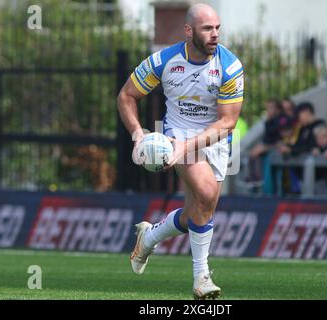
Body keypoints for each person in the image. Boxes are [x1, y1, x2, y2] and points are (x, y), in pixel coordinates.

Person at [116, 3, 243, 300]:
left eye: (217, 28)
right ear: (188, 31)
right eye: (207, 29)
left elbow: (228, 122)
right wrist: (138, 134)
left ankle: (150, 236)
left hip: (215, 140)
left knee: (197, 213)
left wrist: (191, 145)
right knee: (207, 194)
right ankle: (201, 279)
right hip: (176, 136)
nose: (215, 35)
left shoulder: (230, 66)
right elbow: (126, 96)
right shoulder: (163, 60)